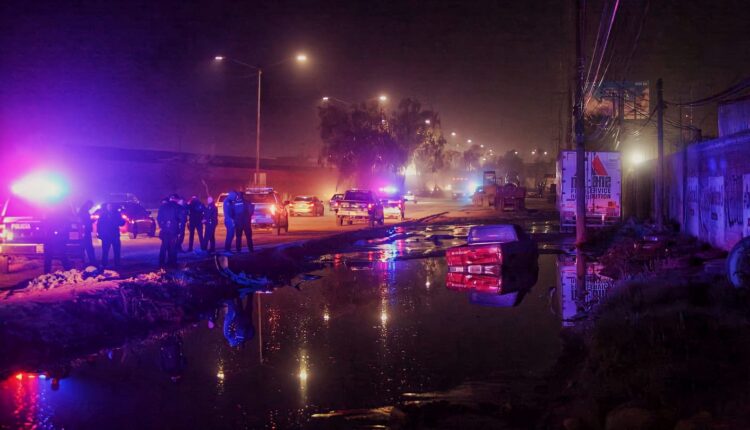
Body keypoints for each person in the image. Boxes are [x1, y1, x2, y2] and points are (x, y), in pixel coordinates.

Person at [43, 209, 72, 273]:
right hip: (55, 237)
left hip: (52, 237)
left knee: (51, 255)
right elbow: (67, 225)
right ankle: (68, 270)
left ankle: (47, 272)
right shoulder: (61, 214)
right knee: (62, 254)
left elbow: (46, 224)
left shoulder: (50, 213)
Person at [97, 203, 125, 268]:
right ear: (107, 207)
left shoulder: (116, 214)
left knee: (116, 250)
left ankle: (117, 263)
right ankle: (104, 263)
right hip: (106, 236)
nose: (110, 208)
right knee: (105, 250)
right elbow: (99, 224)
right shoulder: (103, 215)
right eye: (109, 207)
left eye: (111, 207)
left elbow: (120, 223)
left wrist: (122, 221)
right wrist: (99, 233)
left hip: (114, 235)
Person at [157, 194, 181, 267]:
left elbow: (159, 218)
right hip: (173, 230)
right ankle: (172, 262)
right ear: (176, 199)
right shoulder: (177, 207)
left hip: (165, 230)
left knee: (164, 246)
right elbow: (182, 218)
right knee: (173, 247)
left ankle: (161, 263)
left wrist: (162, 226)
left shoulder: (163, 206)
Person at [78, 200, 97, 266]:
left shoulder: (83, 211)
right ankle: (92, 261)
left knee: (84, 247)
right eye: (90, 206)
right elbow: (84, 222)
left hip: (85, 231)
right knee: (89, 247)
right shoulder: (84, 212)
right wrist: (91, 221)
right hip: (85, 232)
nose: (91, 207)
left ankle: (83, 261)